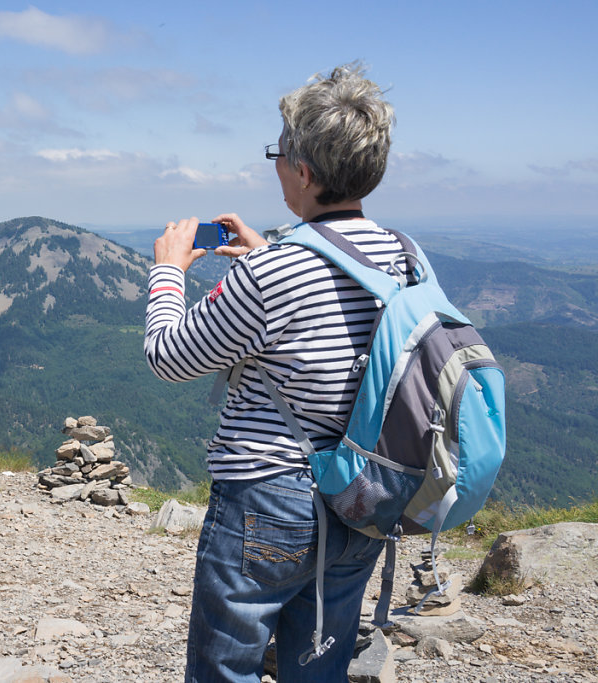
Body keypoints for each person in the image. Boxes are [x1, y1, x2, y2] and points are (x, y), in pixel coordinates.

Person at [145, 64, 402, 681]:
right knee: (319, 665)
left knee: (225, 667)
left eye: (278, 154)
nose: (276, 166)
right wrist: (268, 255)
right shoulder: (404, 256)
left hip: (267, 496)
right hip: (361, 494)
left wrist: (168, 270)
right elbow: (337, 331)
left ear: (305, 171)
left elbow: (167, 355)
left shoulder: (273, 275)